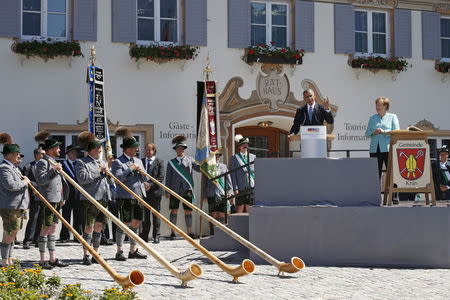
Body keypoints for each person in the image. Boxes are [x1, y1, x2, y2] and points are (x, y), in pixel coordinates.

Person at [75, 132, 112, 265]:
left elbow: (107, 180)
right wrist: (99, 172)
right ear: (92, 150)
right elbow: (83, 179)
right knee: (88, 227)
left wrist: (108, 175)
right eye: (98, 149)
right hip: (89, 199)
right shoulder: (81, 162)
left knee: (99, 226)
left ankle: (95, 252)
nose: (100, 151)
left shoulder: (102, 162)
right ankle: (86, 254)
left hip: (103, 197)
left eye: (101, 149)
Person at [111, 133, 147, 261]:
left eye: (136, 147)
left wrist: (143, 175)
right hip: (125, 196)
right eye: (134, 148)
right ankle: (119, 251)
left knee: (137, 222)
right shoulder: (117, 162)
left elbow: (145, 177)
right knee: (124, 223)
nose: (137, 150)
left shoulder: (138, 160)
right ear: (127, 149)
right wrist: (130, 169)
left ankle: (133, 250)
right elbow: (118, 179)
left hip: (139, 195)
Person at [35, 137, 70, 269]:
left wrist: (62, 197)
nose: (60, 149)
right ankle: (43, 260)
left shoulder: (54, 161)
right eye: (57, 147)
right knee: (45, 228)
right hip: (47, 200)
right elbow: (41, 181)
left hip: (56, 200)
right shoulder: (42, 163)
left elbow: (59, 183)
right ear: (51, 149)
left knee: (53, 228)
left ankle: (53, 258)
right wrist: (54, 170)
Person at [0, 134, 30, 266]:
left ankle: (9, 258)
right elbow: (11, 186)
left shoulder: (14, 168)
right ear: (9, 155)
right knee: (10, 231)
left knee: (14, 232)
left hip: (18, 206)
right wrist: (25, 182)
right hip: (10, 206)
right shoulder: (4, 168)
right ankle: (4, 260)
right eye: (17, 154)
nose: (19, 156)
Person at [165, 135, 200, 240]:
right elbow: (168, 178)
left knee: (188, 211)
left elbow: (198, 169)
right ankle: (172, 232)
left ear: (184, 150)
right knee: (174, 211)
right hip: (174, 189)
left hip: (187, 189)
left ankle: (189, 232)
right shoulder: (171, 163)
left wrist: (204, 161)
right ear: (175, 150)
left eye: (181, 148)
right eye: (178, 149)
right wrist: (167, 191)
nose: (180, 150)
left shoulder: (190, 160)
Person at [365, 97, 400, 179]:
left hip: (388, 149)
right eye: (376, 105)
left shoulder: (392, 117)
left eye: (379, 105)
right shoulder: (372, 118)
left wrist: (384, 132)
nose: (377, 107)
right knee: (375, 174)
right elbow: (367, 134)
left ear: (385, 106)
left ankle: (393, 192)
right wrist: (374, 132)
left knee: (392, 173)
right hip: (374, 150)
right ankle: (375, 191)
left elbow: (397, 131)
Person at [139, 143, 164, 244]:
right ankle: (145, 236)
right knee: (145, 216)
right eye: (146, 150)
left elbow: (161, 177)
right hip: (144, 193)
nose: (148, 152)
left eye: (150, 150)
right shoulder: (140, 161)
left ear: (154, 151)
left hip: (156, 192)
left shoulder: (159, 162)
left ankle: (156, 236)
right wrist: (144, 184)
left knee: (156, 215)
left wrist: (150, 185)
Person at [22, 148, 45, 249]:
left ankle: (37, 240)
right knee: (33, 218)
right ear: (36, 155)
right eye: (42, 154)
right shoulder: (28, 166)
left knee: (41, 218)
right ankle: (27, 240)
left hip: (44, 196)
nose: (44, 156)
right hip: (33, 196)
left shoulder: (46, 165)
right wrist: (35, 186)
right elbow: (25, 180)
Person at [202, 150, 233, 226]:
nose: (216, 157)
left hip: (222, 193)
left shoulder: (224, 166)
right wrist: (204, 194)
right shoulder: (207, 167)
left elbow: (228, 180)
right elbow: (204, 182)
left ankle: (222, 234)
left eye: (218, 155)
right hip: (211, 193)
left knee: (223, 214)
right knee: (214, 214)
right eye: (215, 155)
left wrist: (230, 191)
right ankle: (214, 234)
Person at [59, 145, 83, 243]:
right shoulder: (62, 164)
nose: (75, 154)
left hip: (78, 194)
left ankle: (77, 236)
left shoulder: (79, 163)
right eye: (72, 152)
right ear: (68, 154)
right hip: (67, 193)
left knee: (78, 216)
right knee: (66, 215)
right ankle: (65, 236)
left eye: (76, 152)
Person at [229, 135, 255, 213]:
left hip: (251, 185)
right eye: (243, 144)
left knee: (249, 207)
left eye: (246, 144)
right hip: (240, 186)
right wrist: (235, 187)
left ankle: (249, 225)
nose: (245, 146)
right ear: (239, 147)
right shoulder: (234, 158)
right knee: (240, 207)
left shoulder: (253, 157)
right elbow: (233, 174)